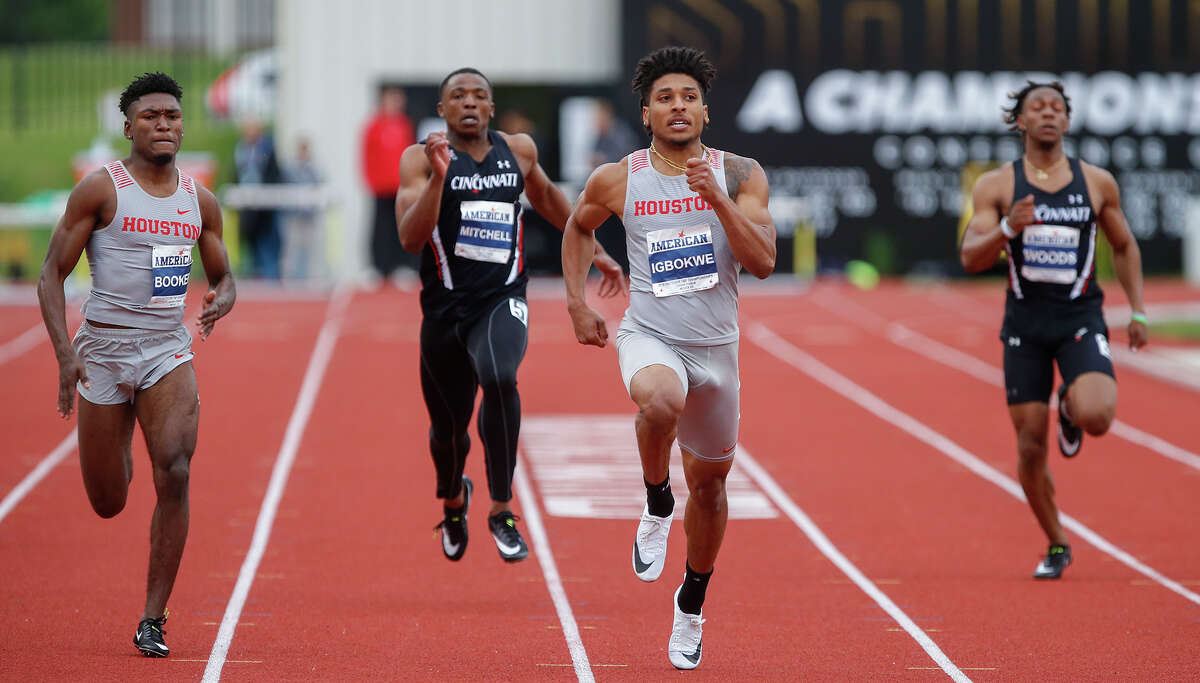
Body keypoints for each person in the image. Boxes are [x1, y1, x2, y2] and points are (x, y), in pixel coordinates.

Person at [561, 47, 776, 670]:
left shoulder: (740, 174)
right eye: (664, 98)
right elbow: (578, 227)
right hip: (651, 334)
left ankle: (691, 604)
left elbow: (763, 262)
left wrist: (719, 200)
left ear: (705, 111)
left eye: (688, 97)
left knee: (709, 489)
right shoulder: (618, 179)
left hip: (718, 352)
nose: (677, 106)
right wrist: (576, 303)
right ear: (646, 113)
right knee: (659, 401)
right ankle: (657, 499)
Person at [36, 72, 236, 656]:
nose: (163, 124)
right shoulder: (102, 189)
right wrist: (64, 354)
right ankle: (119, 437)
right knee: (109, 501)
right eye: (150, 116)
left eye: (172, 116)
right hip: (102, 351)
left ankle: (153, 618)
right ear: (128, 127)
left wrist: (221, 299)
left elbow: (224, 276)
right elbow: (50, 274)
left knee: (174, 470)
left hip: (166, 350)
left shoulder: (200, 201)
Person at [395, 67, 625, 564]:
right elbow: (410, 238)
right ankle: (454, 500)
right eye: (458, 96)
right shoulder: (419, 159)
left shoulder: (517, 151)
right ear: (442, 109)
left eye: (479, 95)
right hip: (444, 313)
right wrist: (439, 179)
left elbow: (548, 199)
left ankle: (501, 509)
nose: (469, 102)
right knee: (448, 434)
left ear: (492, 108)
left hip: (502, 299)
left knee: (500, 378)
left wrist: (597, 250)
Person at [960, 81, 1148, 580]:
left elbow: (1124, 245)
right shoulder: (997, 185)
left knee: (1097, 415)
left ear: (1066, 120)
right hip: (1024, 326)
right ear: (1020, 121)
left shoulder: (1097, 182)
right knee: (1030, 446)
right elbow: (969, 257)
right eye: (1037, 107)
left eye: (1057, 107)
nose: (1048, 113)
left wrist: (1138, 310)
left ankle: (1068, 405)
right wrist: (1007, 229)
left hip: (1079, 319)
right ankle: (1057, 541)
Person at [362, 86, 417, 282]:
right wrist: (371, 180)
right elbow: (367, 156)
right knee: (380, 228)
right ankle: (379, 267)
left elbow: (410, 154)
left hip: (400, 187)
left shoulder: (404, 124)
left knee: (402, 226)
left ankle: (401, 266)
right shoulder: (374, 126)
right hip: (381, 187)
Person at [233, 118, 282, 278]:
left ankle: (270, 276)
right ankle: (252, 274)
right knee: (249, 243)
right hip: (247, 205)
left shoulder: (267, 149)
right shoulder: (240, 150)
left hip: (266, 206)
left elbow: (274, 174)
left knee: (268, 242)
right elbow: (236, 174)